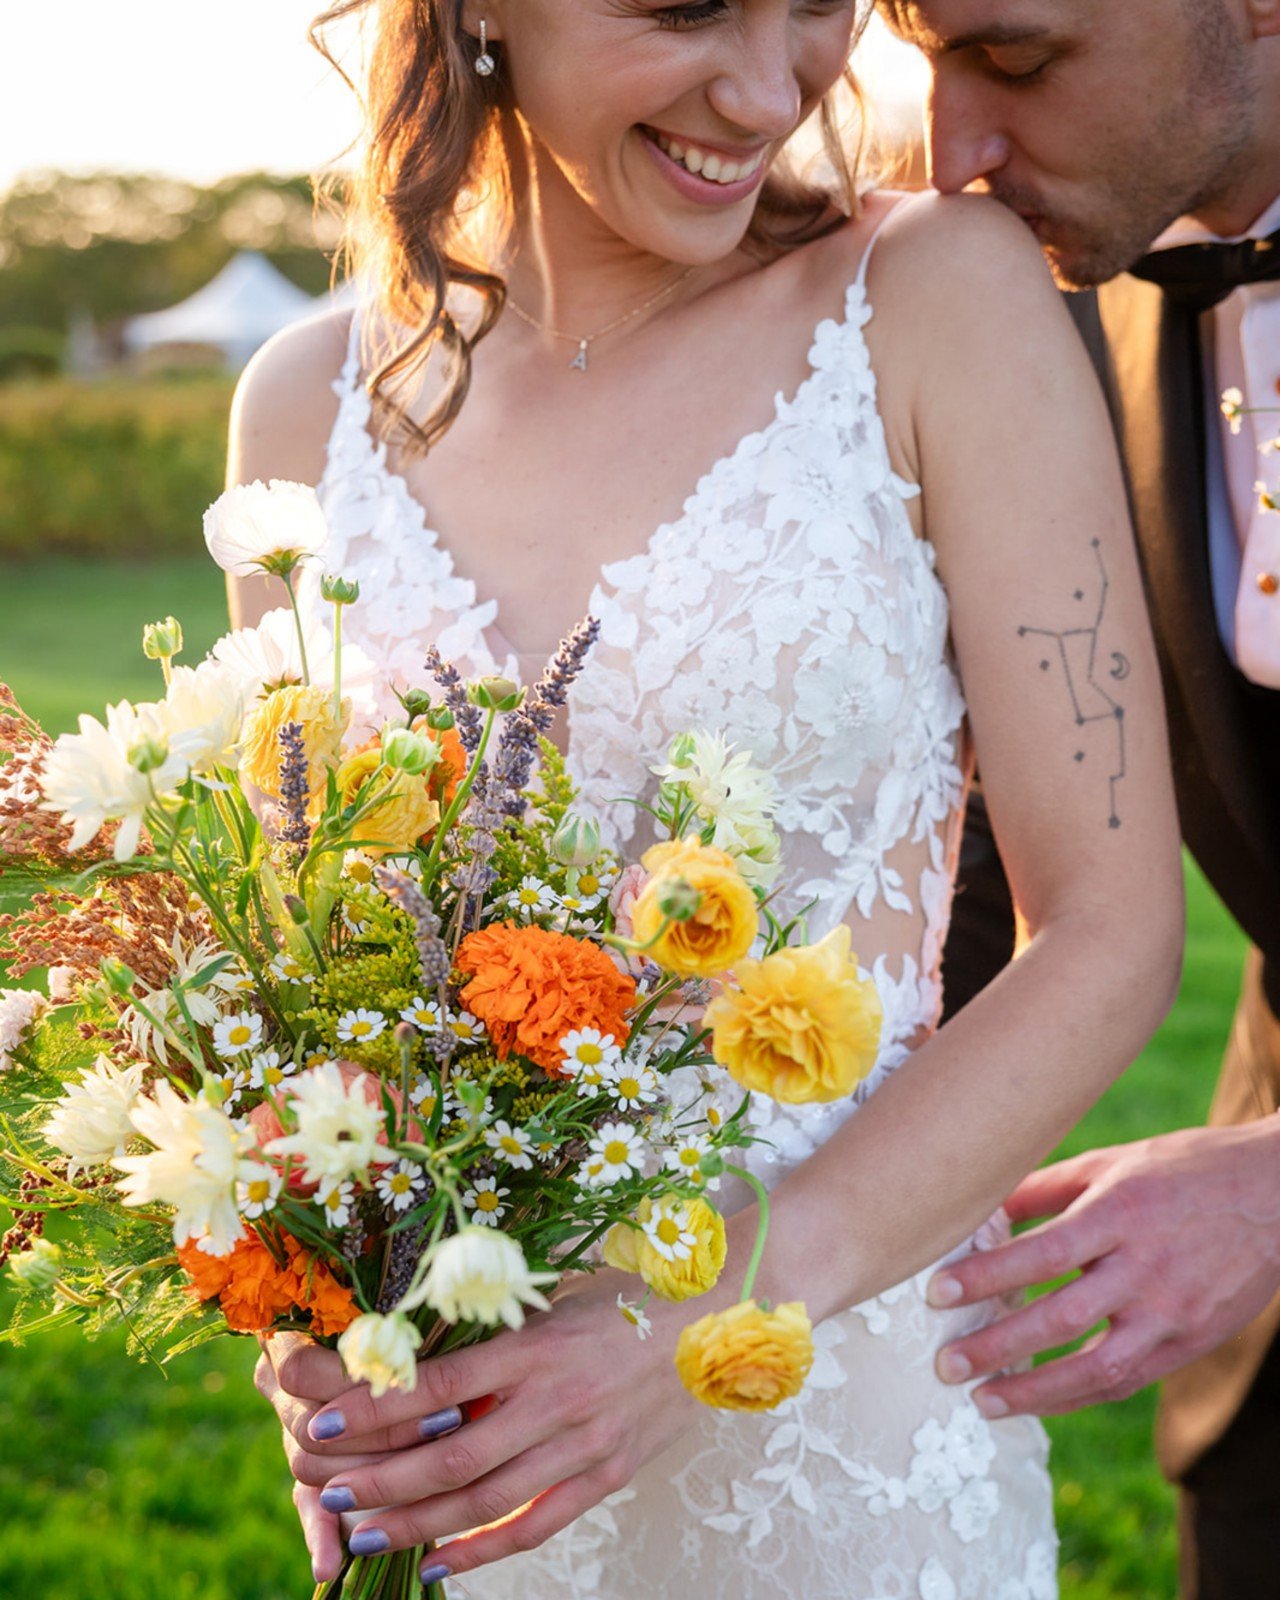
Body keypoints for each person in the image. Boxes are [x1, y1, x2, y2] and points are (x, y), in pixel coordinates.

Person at [232, 1, 1183, 1594]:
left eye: (815, 4)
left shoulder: (934, 296)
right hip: (480, 1473)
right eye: (683, 9)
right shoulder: (300, 406)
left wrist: (707, 1318)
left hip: (844, 1448)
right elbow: (320, 986)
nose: (768, 88)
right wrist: (317, 1295)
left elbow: (1110, 932)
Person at [873, 1, 1280, 1593]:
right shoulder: (1057, 322)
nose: (952, 154)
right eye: (926, 68)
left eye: (1020, 61)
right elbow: (987, 832)